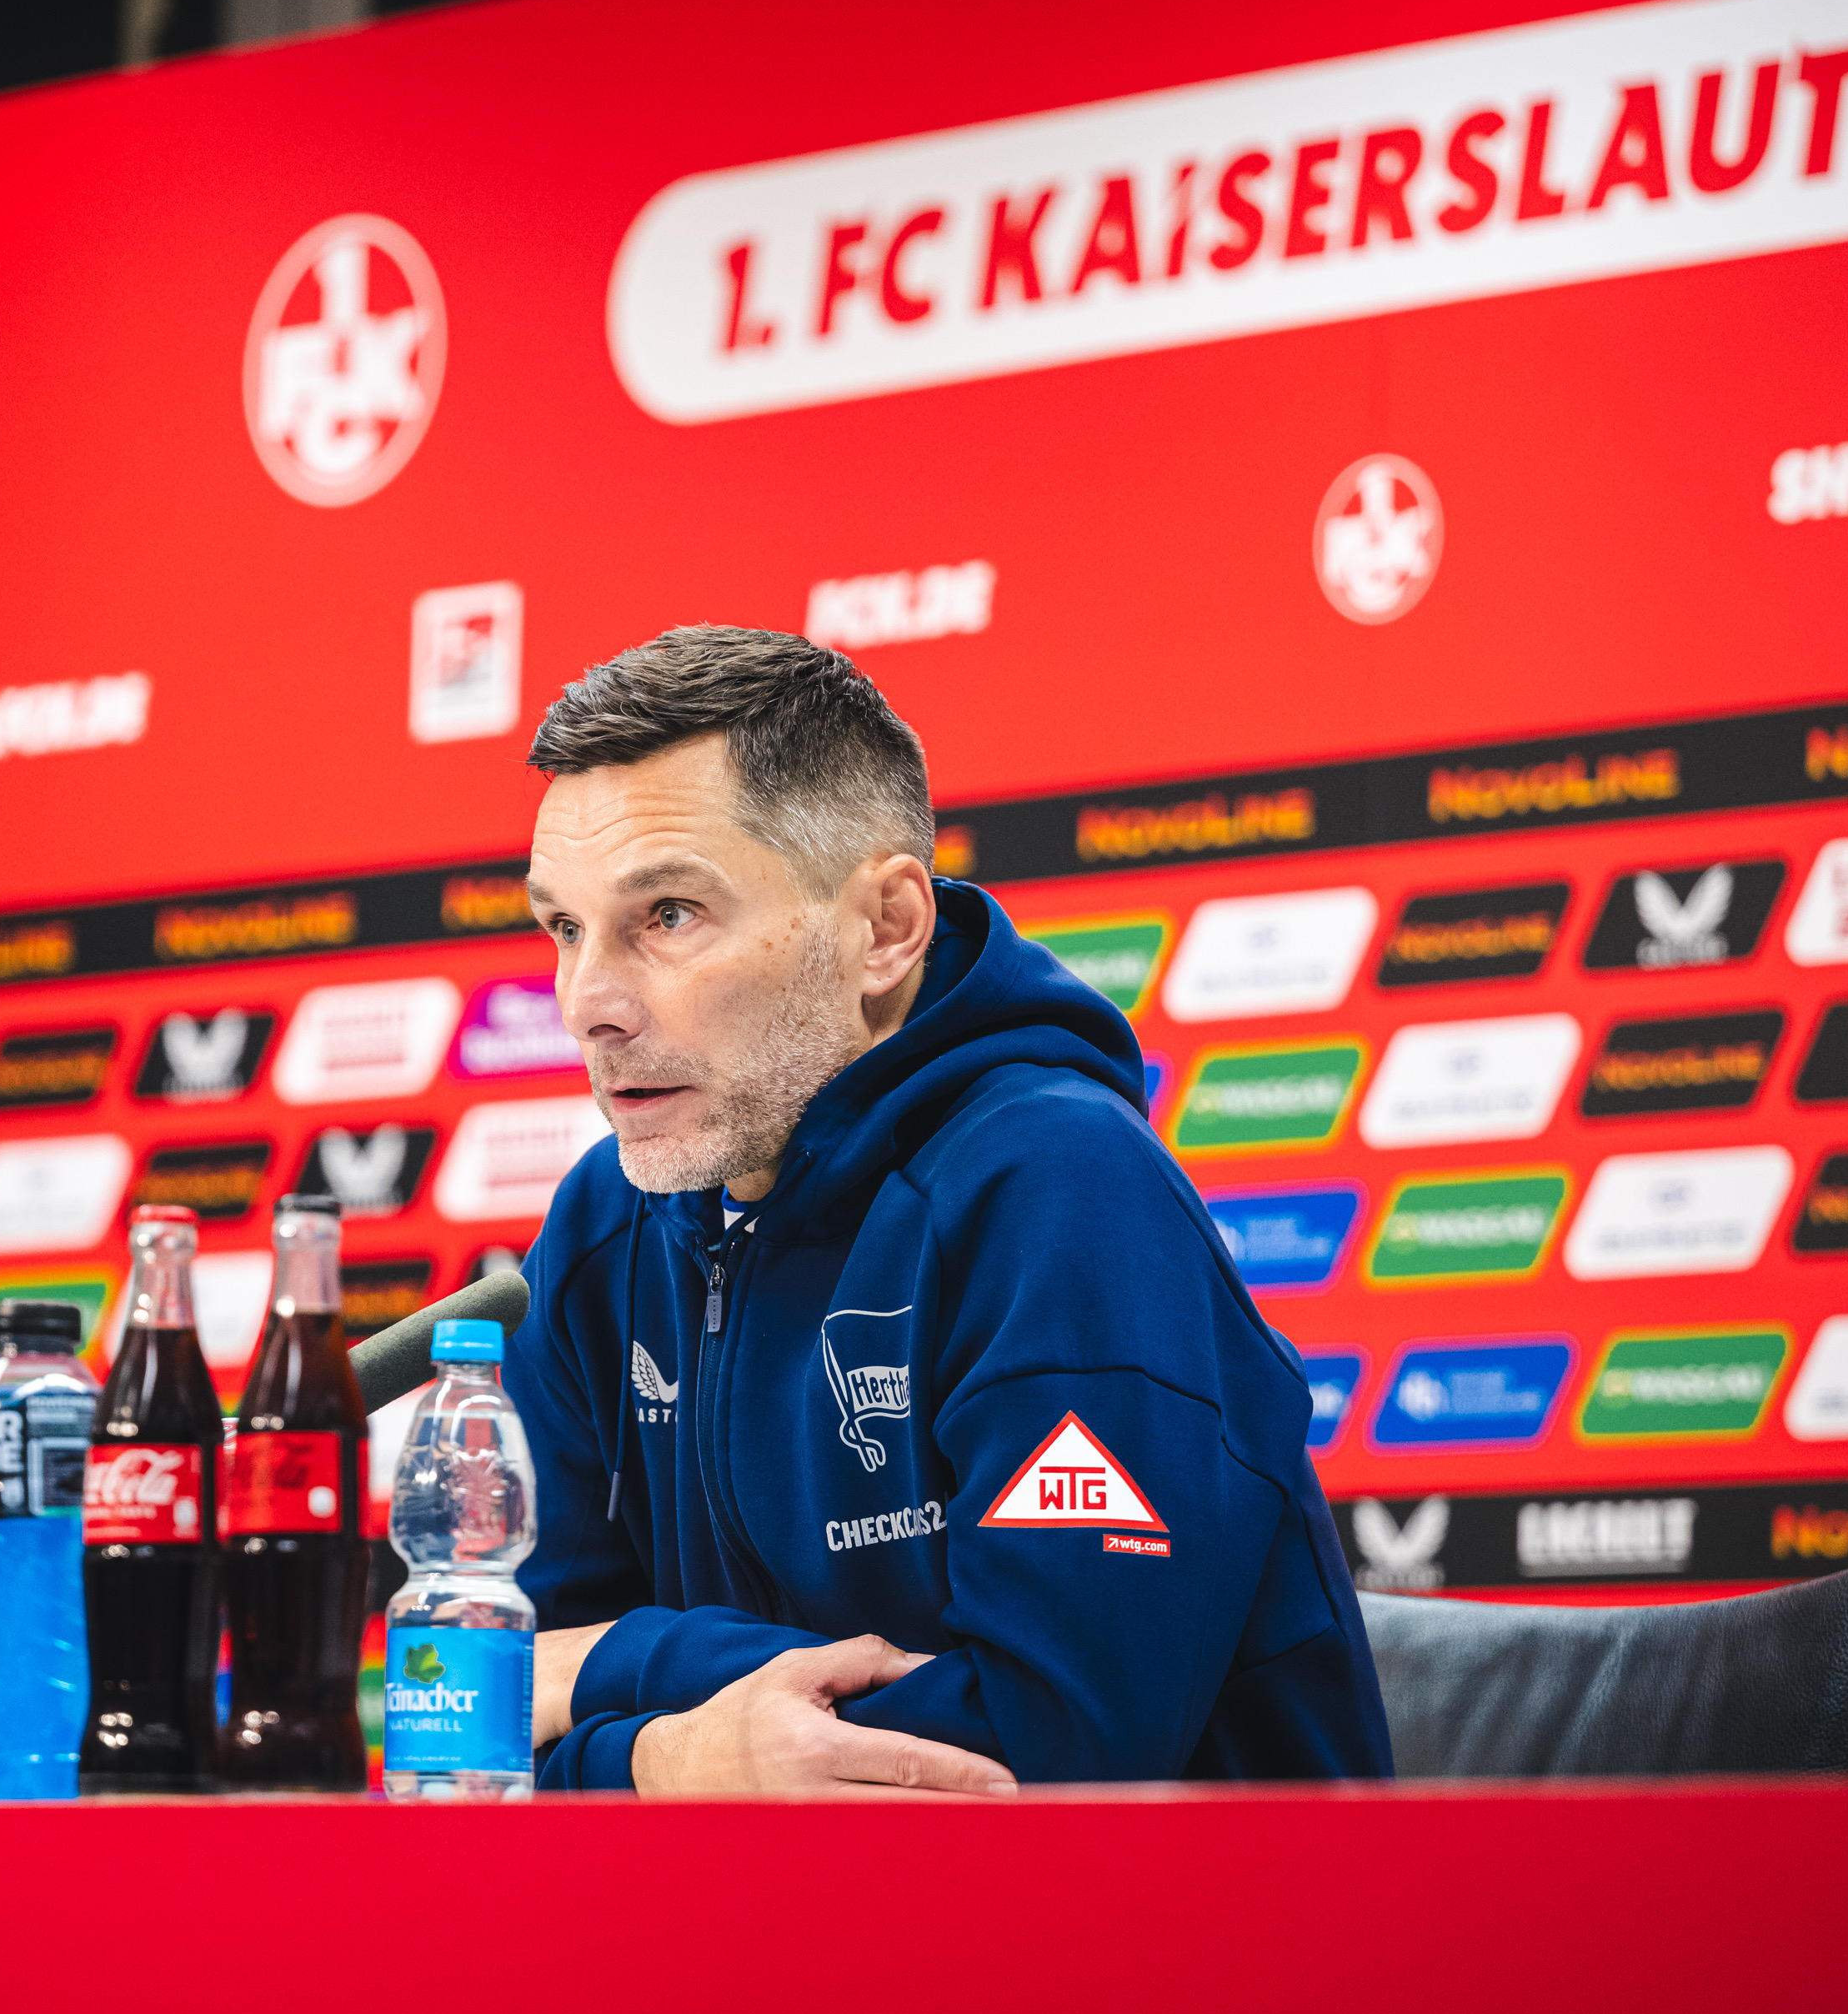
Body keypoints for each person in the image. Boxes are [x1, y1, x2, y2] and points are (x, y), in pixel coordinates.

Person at [508, 625, 1390, 1793]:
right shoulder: (600, 1231)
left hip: (1190, 1957)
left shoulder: (1062, 1194)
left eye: (667, 913)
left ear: (883, 928)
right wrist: (677, 1756)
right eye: (564, 926)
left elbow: (1039, 1761)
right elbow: (457, 1715)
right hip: (764, 1958)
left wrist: (619, 1668)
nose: (588, 1002)